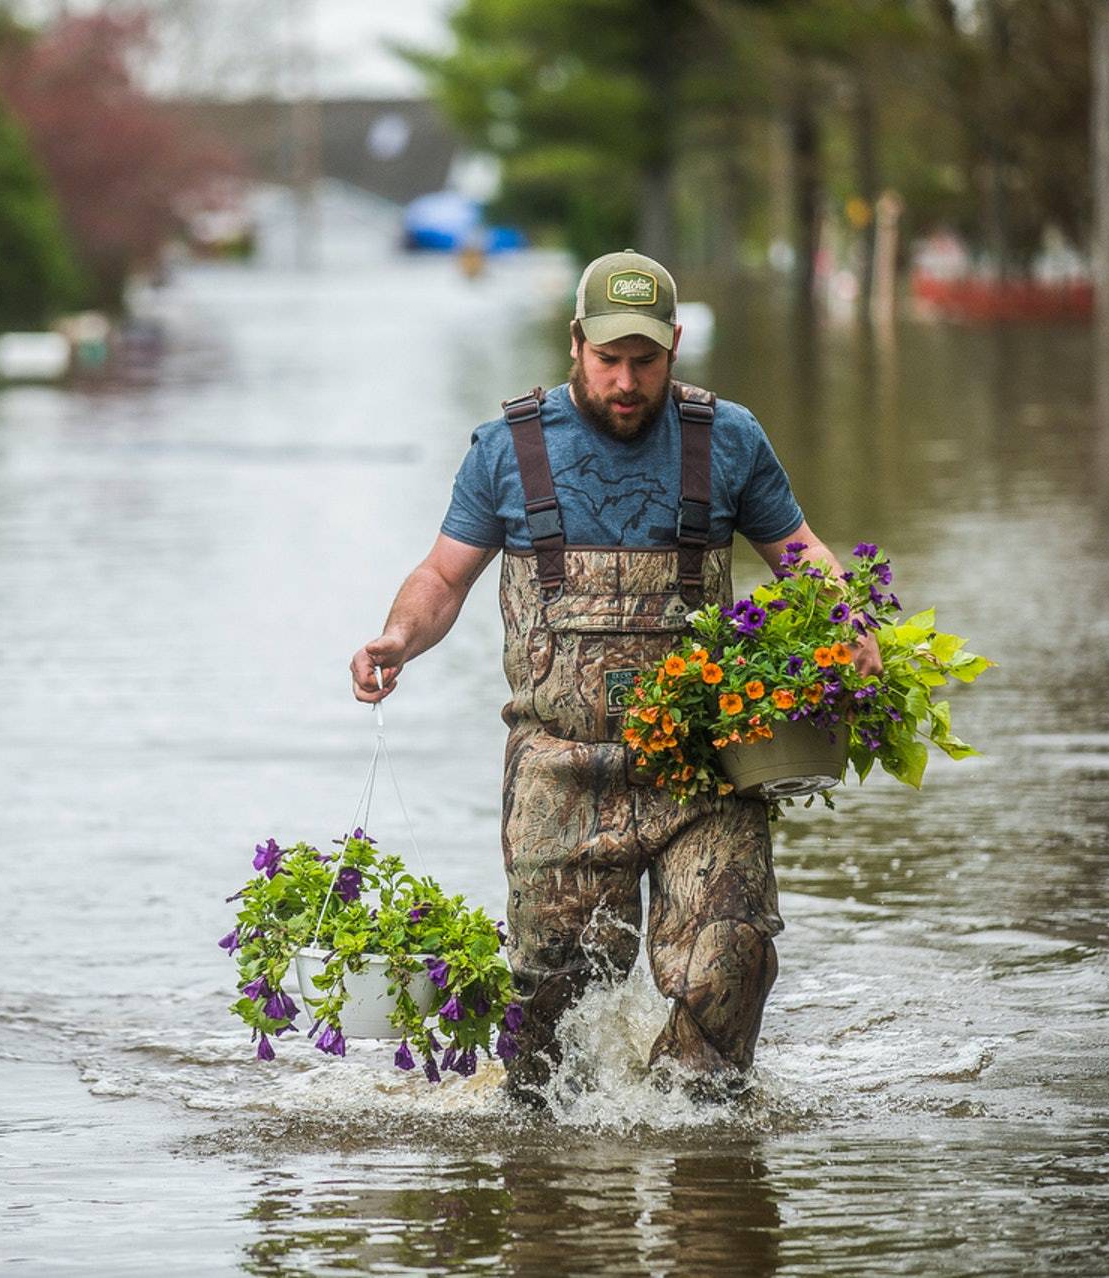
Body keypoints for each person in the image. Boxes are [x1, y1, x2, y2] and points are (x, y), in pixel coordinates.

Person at [348, 250, 879, 1105]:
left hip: (703, 769)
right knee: (547, 1030)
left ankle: (687, 1127)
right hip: (560, 772)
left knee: (734, 954)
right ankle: (563, 1178)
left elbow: (800, 553)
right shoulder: (510, 448)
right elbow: (443, 577)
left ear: (674, 346)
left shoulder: (729, 439)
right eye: (609, 359)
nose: (626, 381)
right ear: (575, 345)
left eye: (645, 360)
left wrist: (847, 621)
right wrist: (397, 639)